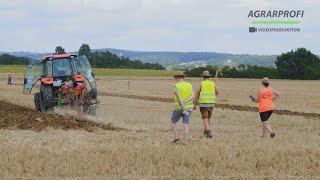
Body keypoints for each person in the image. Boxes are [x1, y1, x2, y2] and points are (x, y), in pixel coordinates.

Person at [193, 70, 219, 138]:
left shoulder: (201, 83)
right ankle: (205, 132)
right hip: (211, 104)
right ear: (208, 76)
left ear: (203, 76)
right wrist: (214, 86)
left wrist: (194, 105)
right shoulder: (212, 83)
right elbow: (217, 93)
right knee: (208, 119)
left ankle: (208, 132)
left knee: (205, 119)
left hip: (204, 104)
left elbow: (197, 95)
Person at [171, 73, 194, 144]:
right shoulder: (189, 85)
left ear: (178, 78)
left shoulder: (176, 86)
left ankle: (177, 138)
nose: (176, 80)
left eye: (176, 78)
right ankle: (186, 142)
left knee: (173, 121)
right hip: (189, 107)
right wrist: (186, 101)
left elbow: (179, 98)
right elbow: (193, 96)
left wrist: (183, 106)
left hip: (179, 108)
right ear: (183, 78)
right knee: (186, 124)